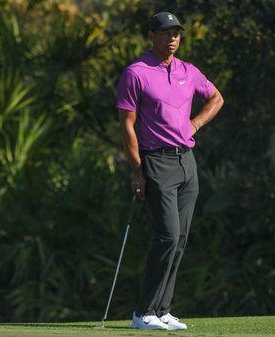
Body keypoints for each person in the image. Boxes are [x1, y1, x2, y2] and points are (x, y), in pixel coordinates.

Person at [116, 12, 224, 330]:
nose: (172, 38)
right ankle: (143, 313)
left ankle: (162, 309)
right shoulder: (135, 73)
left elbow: (216, 98)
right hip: (156, 161)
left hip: (186, 161)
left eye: (177, 33)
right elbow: (127, 125)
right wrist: (137, 169)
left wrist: (195, 123)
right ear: (152, 36)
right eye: (166, 33)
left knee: (180, 239)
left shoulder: (188, 71)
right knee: (167, 235)